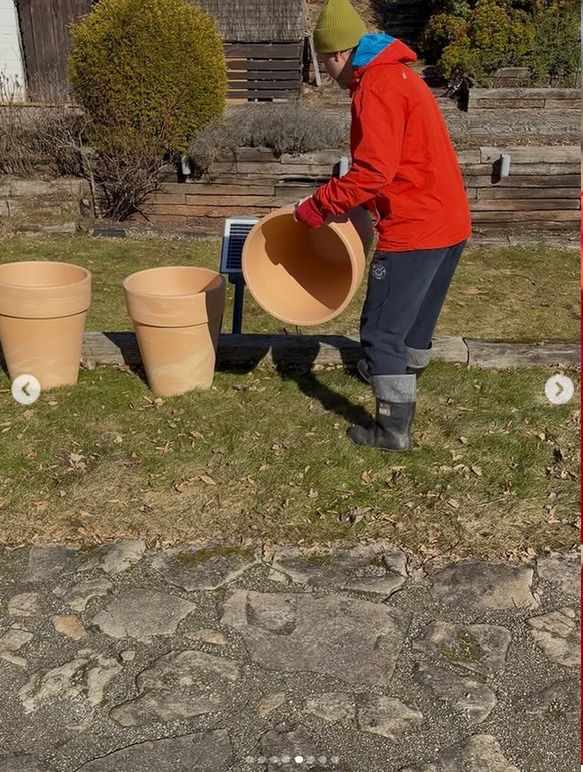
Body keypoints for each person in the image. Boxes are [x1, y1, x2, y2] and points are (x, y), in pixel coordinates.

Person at [294, 0, 472, 452]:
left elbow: (374, 171)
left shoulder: (376, 87)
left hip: (416, 227)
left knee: (381, 331)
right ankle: (404, 378)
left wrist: (321, 204)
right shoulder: (401, 75)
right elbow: (399, 160)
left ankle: (392, 431)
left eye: (325, 62)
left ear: (337, 55)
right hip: (448, 219)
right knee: (414, 323)